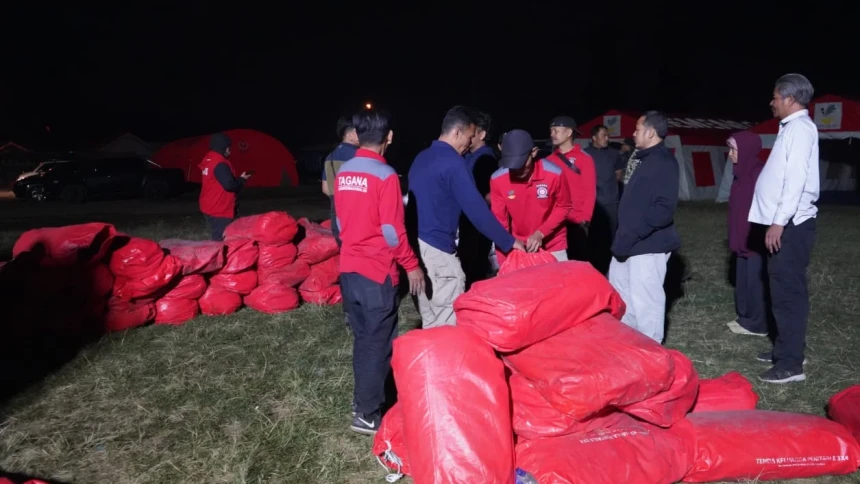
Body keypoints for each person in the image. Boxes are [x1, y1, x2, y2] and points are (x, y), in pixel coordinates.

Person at [334, 110, 425, 435]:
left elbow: (341, 222)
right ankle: (368, 414)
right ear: (389, 138)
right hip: (376, 272)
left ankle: (362, 400)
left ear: (357, 136)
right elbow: (391, 230)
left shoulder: (345, 172)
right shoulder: (385, 176)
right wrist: (411, 265)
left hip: (349, 269)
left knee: (363, 339)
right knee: (377, 342)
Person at [408, 106, 525, 328]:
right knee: (446, 323)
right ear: (457, 133)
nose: (470, 143)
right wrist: (509, 242)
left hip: (417, 248)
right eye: (470, 137)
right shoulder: (454, 163)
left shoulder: (421, 158)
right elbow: (477, 210)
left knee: (429, 317)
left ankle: (427, 360)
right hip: (439, 251)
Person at [749, 73, 819, 384]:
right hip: (784, 223)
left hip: (791, 225)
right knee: (778, 289)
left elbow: (795, 180)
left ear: (790, 99)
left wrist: (779, 221)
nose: (772, 102)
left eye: (776, 96)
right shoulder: (791, 127)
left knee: (787, 293)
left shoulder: (801, 129)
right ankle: (784, 348)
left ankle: (791, 364)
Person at [609, 111, 680, 344]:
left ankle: (650, 354)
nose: (633, 133)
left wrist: (634, 234)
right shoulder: (640, 157)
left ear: (650, 132)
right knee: (623, 298)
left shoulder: (663, 162)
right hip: (626, 241)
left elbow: (663, 211)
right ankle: (629, 347)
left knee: (646, 303)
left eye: (637, 129)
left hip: (647, 245)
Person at [490, 129, 571, 262]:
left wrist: (541, 233)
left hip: (553, 245)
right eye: (512, 164)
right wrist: (504, 260)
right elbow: (500, 223)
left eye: (521, 163)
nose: (517, 169)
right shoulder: (498, 179)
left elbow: (564, 207)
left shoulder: (555, 175)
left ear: (533, 152)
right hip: (518, 246)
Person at [726, 131, 768, 337]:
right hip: (741, 237)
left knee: (754, 282)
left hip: (754, 238)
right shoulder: (739, 173)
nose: (730, 154)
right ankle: (745, 318)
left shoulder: (759, 173)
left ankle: (757, 324)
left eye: (734, 149)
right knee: (742, 279)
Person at [546, 116, 596, 261]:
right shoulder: (548, 160)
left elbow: (589, 189)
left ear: (568, 133)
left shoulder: (584, 158)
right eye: (551, 131)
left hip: (576, 221)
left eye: (556, 131)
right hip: (555, 221)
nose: (552, 134)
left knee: (577, 261)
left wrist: (585, 218)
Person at [460, 110, 498, 288]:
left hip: (478, 224)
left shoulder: (486, 159)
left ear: (482, 134)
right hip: (467, 221)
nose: (468, 136)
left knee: (474, 265)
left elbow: (487, 196)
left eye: (472, 132)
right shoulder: (468, 156)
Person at [584, 125, 627, 273]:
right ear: (594, 137)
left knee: (611, 235)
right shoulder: (586, 154)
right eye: (604, 135)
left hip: (611, 201)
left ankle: (612, 268)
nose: (607, 138)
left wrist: (608, 188)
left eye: (607, 136)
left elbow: (618, 174)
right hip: (593, 203)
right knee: (594, 236)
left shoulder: (614, 154)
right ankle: (594, 267)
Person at [198, 133, 251, 241]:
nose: (229, 150)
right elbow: (229, 185)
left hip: (209, 205)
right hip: (219, 208)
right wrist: (242, 180)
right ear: (223, 147)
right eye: (228, 148)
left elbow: (221, 180)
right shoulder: (220, 163)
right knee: (219, 241)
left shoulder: (210, 158)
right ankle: (218, 257)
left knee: (218, 235)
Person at [321, 116, 359, 245]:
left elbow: (325, 189)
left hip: (336, 217)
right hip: (357, 218)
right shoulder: (360, 155)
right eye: (358, 131)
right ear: (349, 135)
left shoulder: (329, 157)